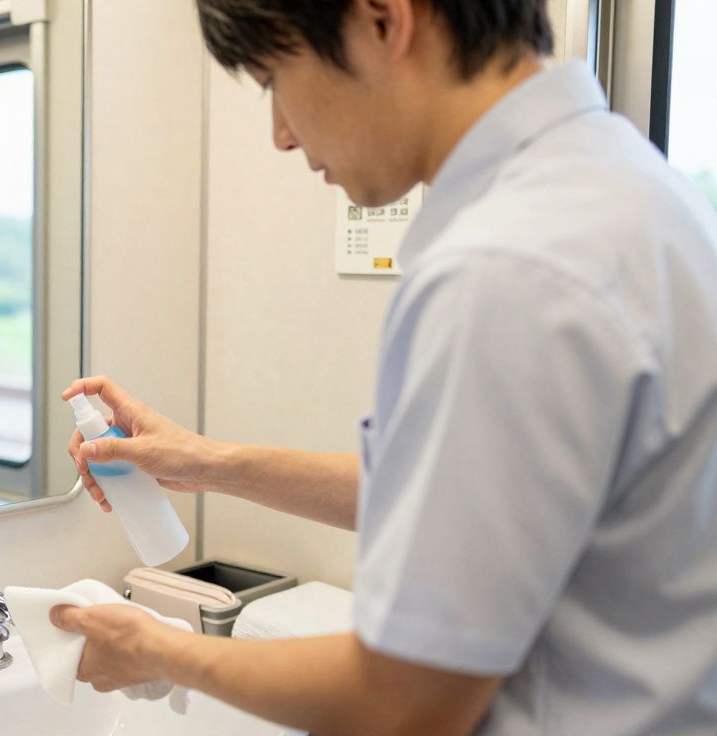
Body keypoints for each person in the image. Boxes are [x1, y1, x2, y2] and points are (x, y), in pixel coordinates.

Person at [55, 1, 717, 734]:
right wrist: (206, 462)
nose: (280, 133)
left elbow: (404, 702)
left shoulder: (503, 266)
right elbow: (464, 494)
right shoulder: (634, 191)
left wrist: (155, 649)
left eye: (274, 79)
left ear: (382, 19)